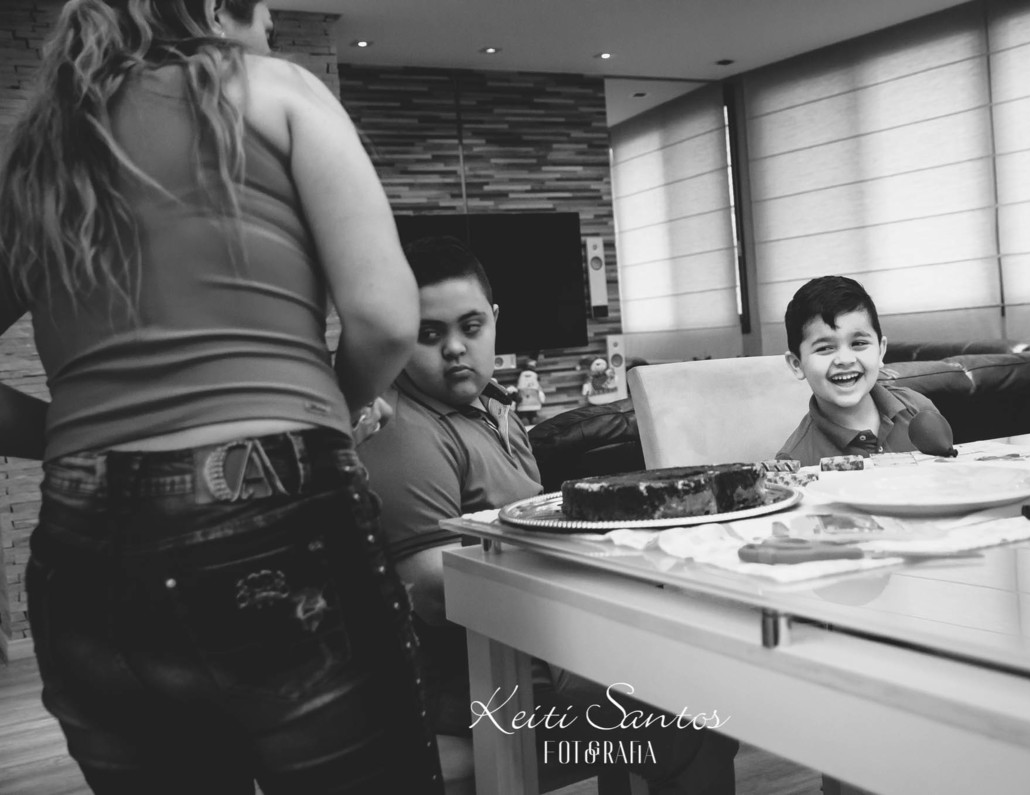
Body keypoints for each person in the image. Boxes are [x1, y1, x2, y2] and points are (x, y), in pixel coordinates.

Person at [0, 1, 441, 792]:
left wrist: (75, 443)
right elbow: (384, 319)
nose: (270, 31)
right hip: (274, 508)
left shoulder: (41, 151)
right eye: (266, 13)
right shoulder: (276, 91)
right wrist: (331, 408)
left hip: (83, 546)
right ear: (212, 8)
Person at [359, 236, 738, 793]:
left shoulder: (493, 405)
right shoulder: (406, 434)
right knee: (692, 723)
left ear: (494, 319)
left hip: (546, 653)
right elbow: (435, 594)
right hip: (486, 691)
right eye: (429, 334)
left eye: (470, 327)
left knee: (701, 684)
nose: (455, 348)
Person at [776, 275, 942, 465]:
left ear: (880, 351)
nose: (845, 360)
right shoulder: (794, 462)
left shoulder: (919, 409)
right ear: (797, 365)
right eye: (825, 348)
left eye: (858, 343)